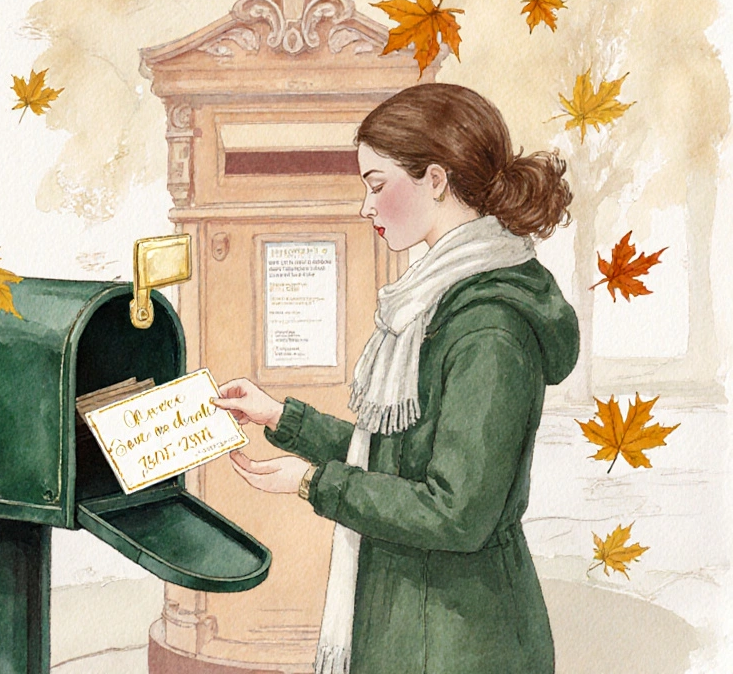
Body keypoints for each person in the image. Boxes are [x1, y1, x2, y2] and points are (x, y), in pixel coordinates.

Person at [213, 83, 579, 674]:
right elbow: (396, 455)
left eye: (377, 184)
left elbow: (456, 512)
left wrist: (313, 484)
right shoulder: (435, 302)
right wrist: (283, 419)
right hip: (416, 620)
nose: (366, 206)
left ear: (436, 179)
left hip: (461, 639)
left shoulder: (490, 327)